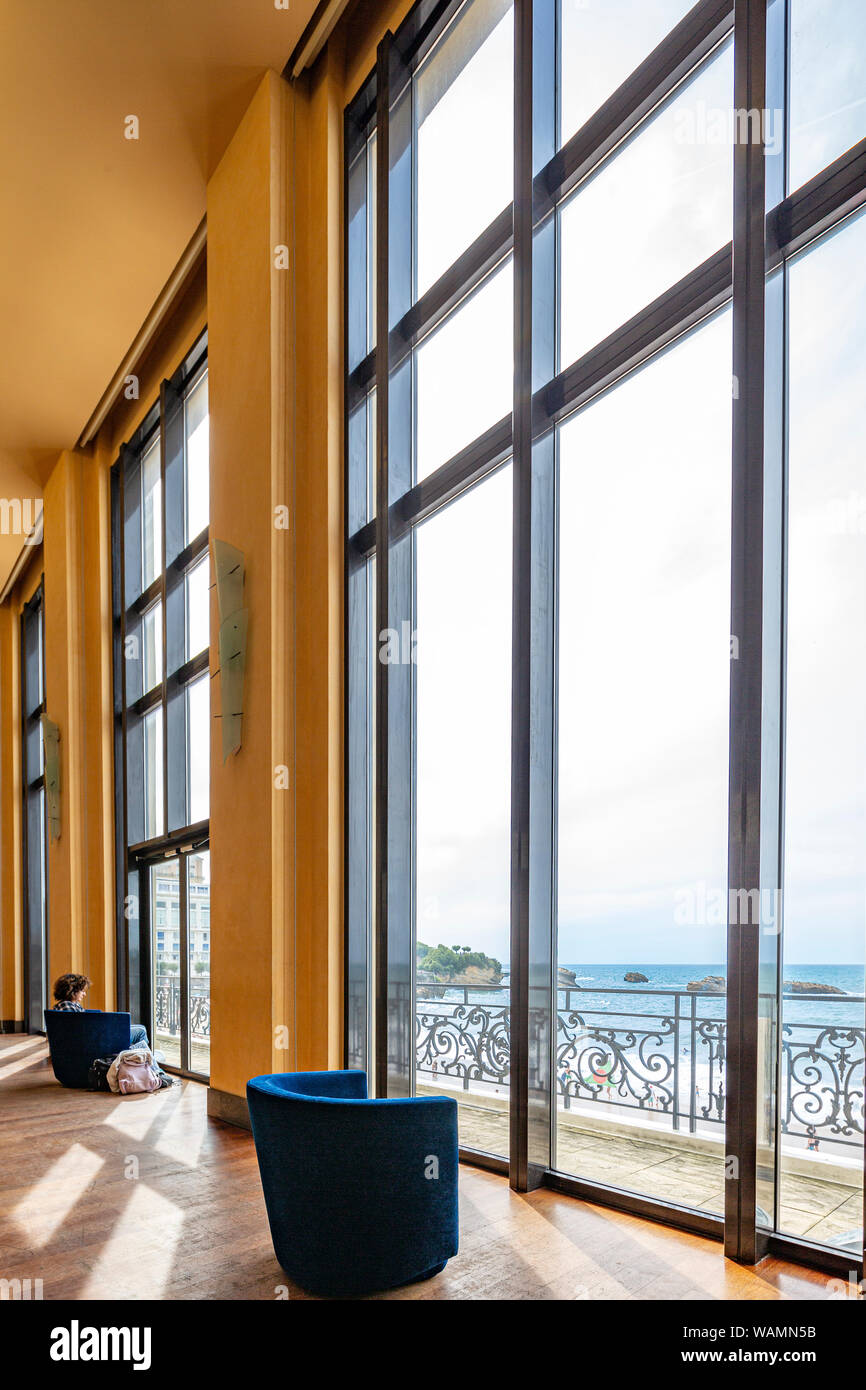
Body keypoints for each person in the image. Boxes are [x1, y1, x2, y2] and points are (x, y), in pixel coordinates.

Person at [51, 973, 158, 1057]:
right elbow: (77, 1033)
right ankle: (145, 1065)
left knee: (140, 1030)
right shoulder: (67, 1007)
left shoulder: (67, 1006)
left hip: (93, 1039)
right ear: (72, 991)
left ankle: (140, 1059)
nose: (84, 994)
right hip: (94, 1042)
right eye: (82, 991)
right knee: (140, 1031)